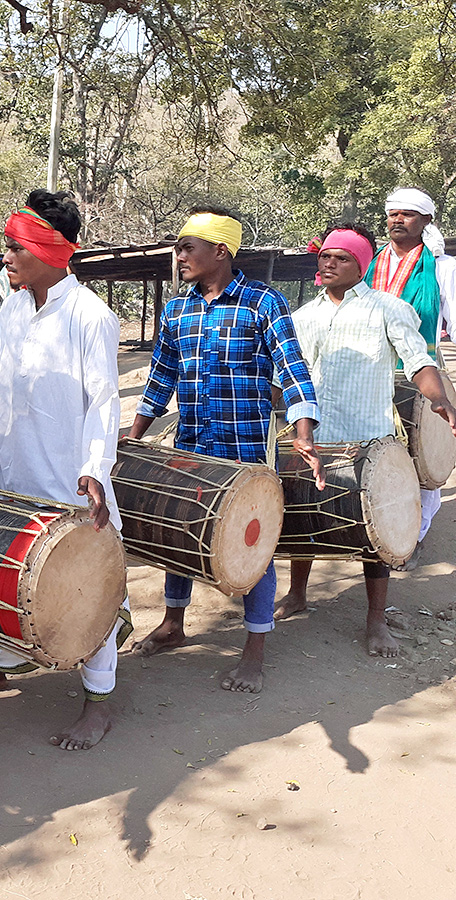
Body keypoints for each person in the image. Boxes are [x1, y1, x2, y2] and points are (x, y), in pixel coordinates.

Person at [0, 190, 131, 750]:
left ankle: (98, 702)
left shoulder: (91, 316)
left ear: (50, 250)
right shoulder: (10, 306)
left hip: (68, 474)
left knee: (85, 581)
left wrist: (95, 469)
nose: (5, 256)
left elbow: (104, 401)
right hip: (11, 466)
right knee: (5, 568)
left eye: (14, 247)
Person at [129, 205, 324, 694]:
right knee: (179, 533)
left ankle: (254, 649)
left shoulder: (264, 303)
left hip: (246, 454)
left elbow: (292, 369)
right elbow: (160, 378)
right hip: (191, 446)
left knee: (251, 548)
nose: (178, 257)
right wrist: (133, 437)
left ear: (221, 251)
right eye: (177, 249)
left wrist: (303, 432)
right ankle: (174, 623)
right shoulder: (177, 309)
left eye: (186, 248)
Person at [274, 224, 456, 655]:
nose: (328, 263)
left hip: (367, 442)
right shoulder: (302, 317)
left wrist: (440, 400)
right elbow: (285, 372)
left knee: (373, 536)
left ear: (361, 265)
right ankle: (298, 594)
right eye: (325, 256)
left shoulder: (388, 310)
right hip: (313, 439)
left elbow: (418, 361)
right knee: (304, 517)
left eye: (341, 257)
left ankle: (376, 622)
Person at [365, 188, 456, 569]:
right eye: (392, 214)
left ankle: (415, 534)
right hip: (371, 374)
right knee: (379, 455)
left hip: (420, 376)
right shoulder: (370, 264)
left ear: (426, 221)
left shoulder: (443, 268)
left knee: (420, 459)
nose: (397, 220)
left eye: (407, 214)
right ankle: (381, 529)